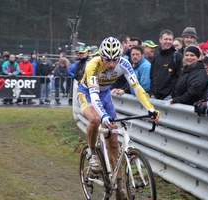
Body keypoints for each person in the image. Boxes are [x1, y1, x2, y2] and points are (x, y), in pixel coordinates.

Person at [77, 37, 160, 197]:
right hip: (87, 93)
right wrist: (104, 115)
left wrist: (150, 108)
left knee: (114, 143)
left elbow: (136, 87)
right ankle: (92, 152)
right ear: (101, 56)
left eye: (115, 59)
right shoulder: (93, 65)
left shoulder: (125, 63)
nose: (111, 64)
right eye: (107, 59)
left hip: (105, 95)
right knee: (95, 119)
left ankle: (119, 184)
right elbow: (94, 97)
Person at [150, 29, 183, 100]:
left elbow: (180, 77)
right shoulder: (156, 56)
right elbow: (152, 75)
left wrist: (172, 94)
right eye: (166, 39)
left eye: (170, 39)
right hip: (155, 96)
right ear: (160, 40)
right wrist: (152, 92)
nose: (168, 42)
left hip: (168, 97)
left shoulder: (177, 56)